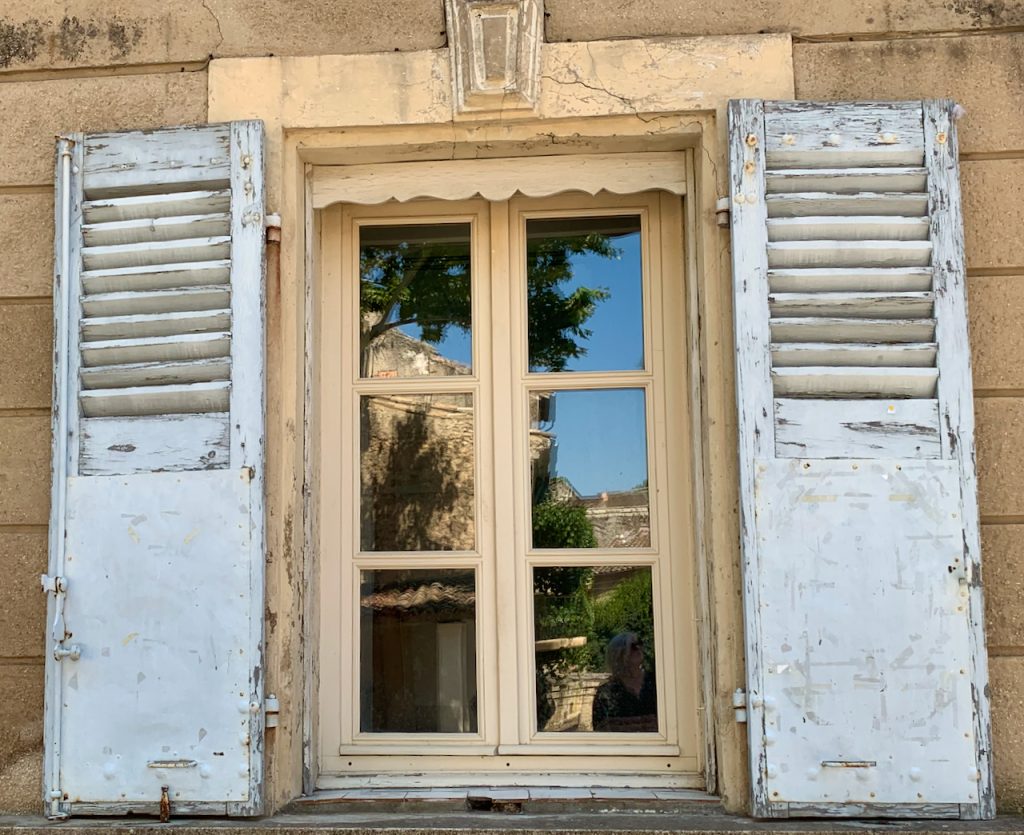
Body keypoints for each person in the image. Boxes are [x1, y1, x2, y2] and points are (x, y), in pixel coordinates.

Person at [592, 631, 657, 732]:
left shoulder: (655, 682)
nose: (638, 648)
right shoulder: (607, 692)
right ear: (619, 654)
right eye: (633, 646)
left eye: (639, 643)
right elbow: (601, 729)